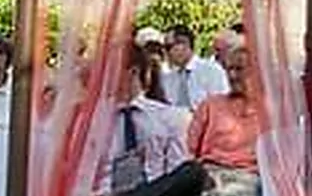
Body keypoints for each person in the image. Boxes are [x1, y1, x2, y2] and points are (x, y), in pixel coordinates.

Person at [96, 43, 206, 196]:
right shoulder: (91, 122)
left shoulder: (171, 118)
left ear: (132, 72)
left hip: (154, 191)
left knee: (193, 172)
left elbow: (178, 176)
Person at [186, 44, 262, 196]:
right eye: (229, 69)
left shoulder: (270, 111)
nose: (232, 76)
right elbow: (189, 149)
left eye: (239, 69)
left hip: (247, 177)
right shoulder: (210, 105)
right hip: (207, 173)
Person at [160, 26, 228, 109]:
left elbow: (222, 105)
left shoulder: (211, 70)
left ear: (185, 44)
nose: (168, 52)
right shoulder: (168, 78)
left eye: (169, 47)